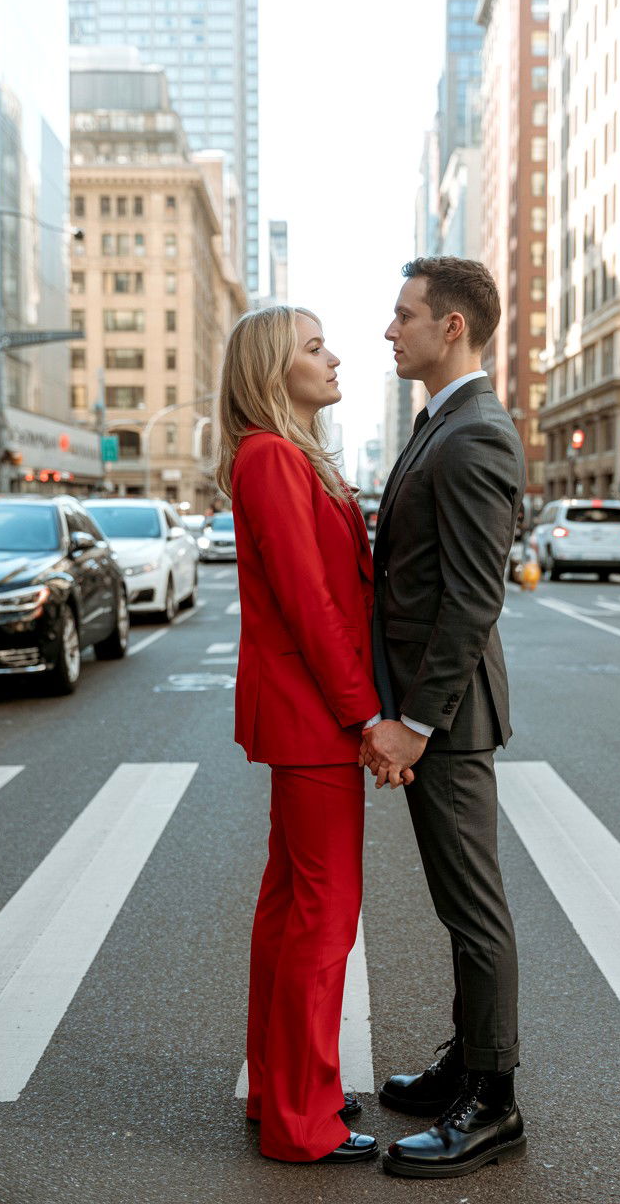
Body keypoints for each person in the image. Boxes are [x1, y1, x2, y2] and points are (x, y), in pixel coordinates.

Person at [216, 306, 397, 1165]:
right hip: (314, 717)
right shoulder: (272, 459)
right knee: (324, 918)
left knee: (290, 908)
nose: (335, 358)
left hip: (302, 713)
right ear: (270, 369)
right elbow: (312, 603)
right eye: (315, 348)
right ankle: (302, 1119)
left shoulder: (280, 457)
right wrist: (365, 715)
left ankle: (280, 1089)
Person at [360, 257, 527, 1180]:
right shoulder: (443, 424)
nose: (390, 330)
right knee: (458, 905)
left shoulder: (473, 436)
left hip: (451, 719)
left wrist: (415, 724)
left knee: (475, 912)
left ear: (452, 326)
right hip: (438, 710)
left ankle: (495, 1102)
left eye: (403, 315)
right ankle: (468, 1061)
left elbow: (471, 600)